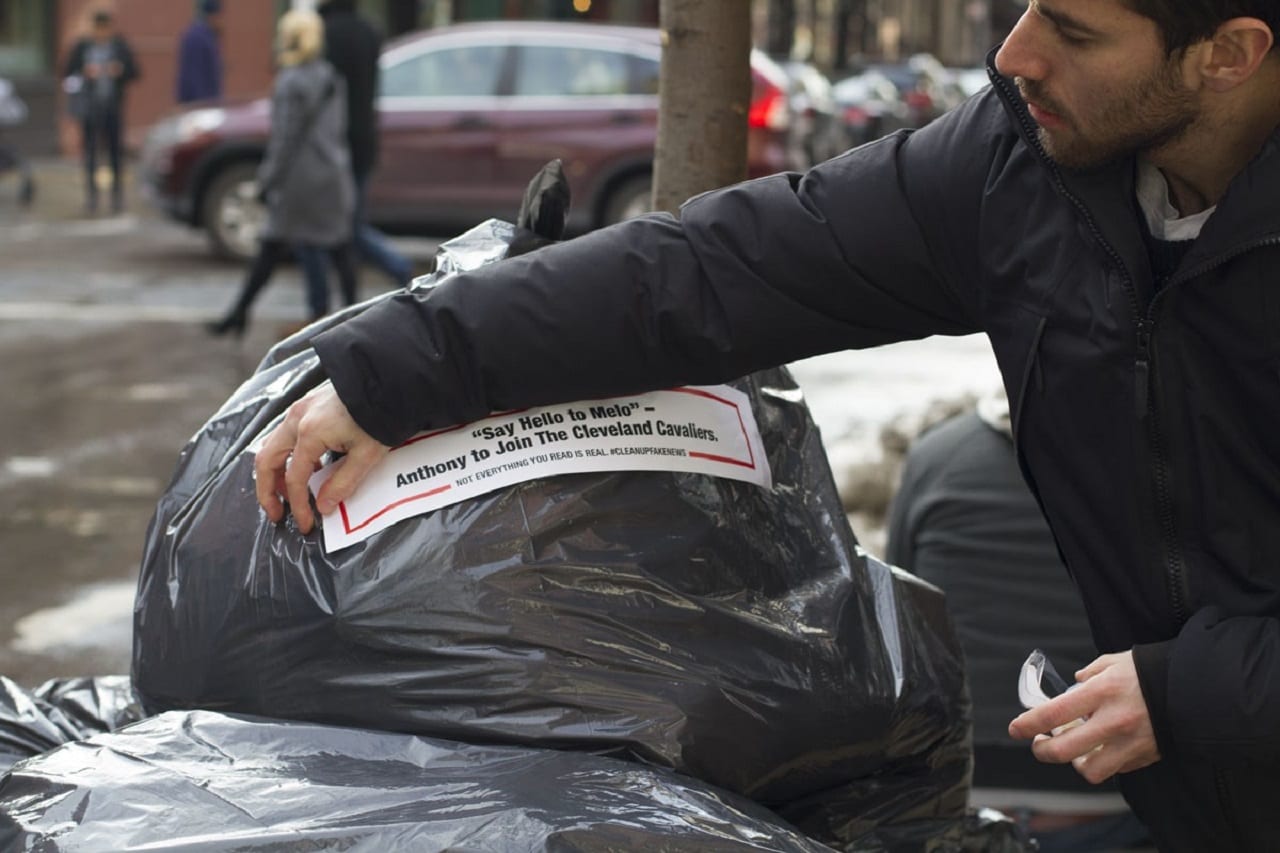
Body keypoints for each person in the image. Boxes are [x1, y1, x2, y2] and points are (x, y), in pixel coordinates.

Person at [252, 3, 1280, 849]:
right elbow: (723, 267)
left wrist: (1202, 689)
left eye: (1072, 29)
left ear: (1227, 56)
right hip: (1195, 802)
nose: (1013, 54)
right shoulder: (1022, 170)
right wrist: (403, 369)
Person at [886, 391, 1151, 853]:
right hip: (1107, 797)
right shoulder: (1158, 460)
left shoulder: (939, 454)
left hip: (957, 795)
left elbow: (896, 618)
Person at [207, 9, 355, 338]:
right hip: (332, 175)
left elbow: (284, 140)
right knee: (339, 248)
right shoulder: (332, 76)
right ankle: (349, 321)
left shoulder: (290, 81)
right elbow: (338, 130)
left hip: (299, 183)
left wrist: (266, 180)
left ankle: (239, 314)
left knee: (273, 247)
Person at [317, 0, 413, 287]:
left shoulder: (326, 34)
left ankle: (395, 266)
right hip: (364, 141)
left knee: (339, 227)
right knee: (347, 223)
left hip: (333, 144)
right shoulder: (369, 31)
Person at [63, 8, 139, 215]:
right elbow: (68, 71)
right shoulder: (82, 47)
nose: (101, 33)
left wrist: (120, 70)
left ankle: (117, 198)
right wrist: (84, 72)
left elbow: (135, 71)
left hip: (113, 108)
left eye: (105, 29)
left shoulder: (120, 47)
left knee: (115, 153)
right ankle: (92, 199)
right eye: (98, 29)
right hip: (90, 108)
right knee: (90, 155)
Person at [176, 0, 223, 105]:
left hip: (203, 102)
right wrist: (202, 105)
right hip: (199, 105)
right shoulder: (198, 37)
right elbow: (195, 76)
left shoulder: (205, 35)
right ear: (212, 15)